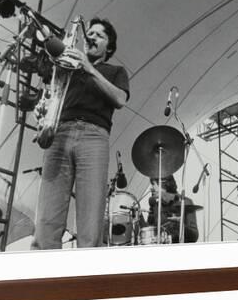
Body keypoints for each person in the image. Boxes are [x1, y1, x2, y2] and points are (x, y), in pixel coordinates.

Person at [31, 17, 130, 250]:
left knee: (90, 220)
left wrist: (88, 67)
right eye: (90, 33)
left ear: (109, 48)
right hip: (60, 133)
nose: (91, 37)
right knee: (47, 217)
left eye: (99, 35)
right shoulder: (68, 67)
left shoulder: (115, 71)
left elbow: (120, 99)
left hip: (93, 137)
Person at [142, 175, 199, 244]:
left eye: (153, 184)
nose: (151, 188)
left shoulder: (185, 202)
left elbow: (194, 236)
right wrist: (139, 217)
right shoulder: (155, 205)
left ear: (164, 184)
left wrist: (180, 225)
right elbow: (149, 233)